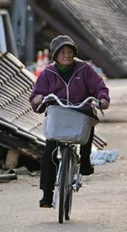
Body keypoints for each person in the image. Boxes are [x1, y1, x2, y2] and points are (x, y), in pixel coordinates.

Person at [29, 35, 110, 208]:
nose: (67, 55)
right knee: (49, 152)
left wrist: (102, 98)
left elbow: (99, 86)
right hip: (58, 114)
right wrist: (37, 99)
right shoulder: (48, 73)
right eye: (63, 52)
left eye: (70, 51)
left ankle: (85, 160)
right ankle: (47, 195)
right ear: (55, 56)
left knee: (88, 124)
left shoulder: (84, 69)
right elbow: (37, 93)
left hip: (80, 110)